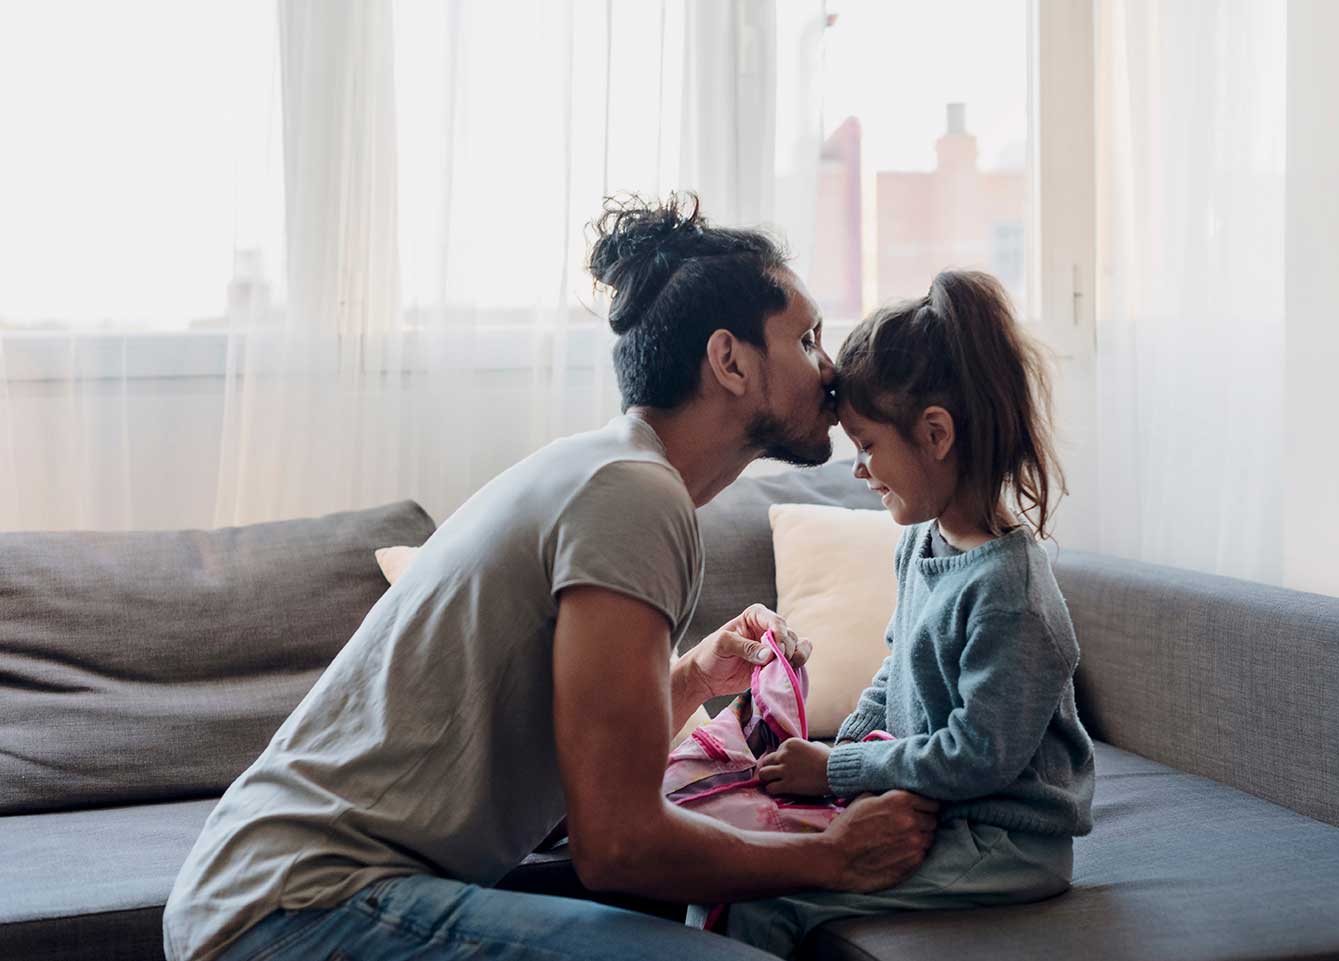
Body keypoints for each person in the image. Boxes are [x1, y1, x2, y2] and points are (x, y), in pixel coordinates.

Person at [161, 193, 939, 961]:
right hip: (293, 908)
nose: (831, 370)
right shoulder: (633, 496)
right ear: (729, 360)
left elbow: (570, 781)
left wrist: (695, 679)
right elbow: (619, 843)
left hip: (264, 896)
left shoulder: (607, 470)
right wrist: (834, 855)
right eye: (807, 339)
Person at [722, 270, 1096, 958]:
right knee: (736, 855)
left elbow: (976, 755)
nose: (859, 471)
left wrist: (835, 773)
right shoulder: (922, 543)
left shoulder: (1010, 591)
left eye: (867, 446)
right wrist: (833, 755)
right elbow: (897, 670)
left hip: (1006, 842)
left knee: (766, 901)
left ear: (935, 434)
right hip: (941, 812)